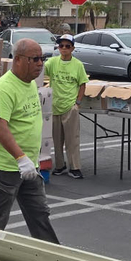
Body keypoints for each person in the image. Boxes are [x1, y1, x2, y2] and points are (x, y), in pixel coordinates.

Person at [0, 38, 58, 244]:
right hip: (4, 167)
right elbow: (0, 127)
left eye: (43, 58)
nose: (41, 63)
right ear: (19, 60)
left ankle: (53, 259)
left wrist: (29, 161)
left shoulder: (29, 83)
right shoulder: (4, 88)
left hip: (29, 167)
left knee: (40, 215)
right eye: (36, 59)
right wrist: (20, 158)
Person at [43, 34, 88, 179]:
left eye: (67, 46)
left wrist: (77, 103)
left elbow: (82, 84)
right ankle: (60, 165)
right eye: (61, 46)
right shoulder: (52, 62)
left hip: (70, 106)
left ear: (72, 48)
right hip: (55, 106)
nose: (64, 49)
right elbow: (40, 71)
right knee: (57, 140)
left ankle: (75, 167)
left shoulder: (78, 65)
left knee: (72, 139)